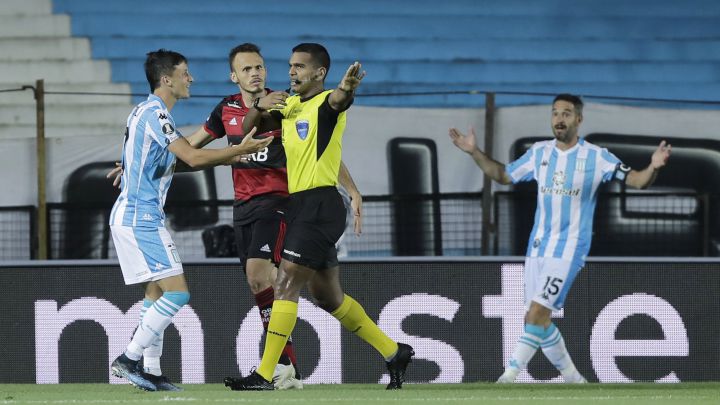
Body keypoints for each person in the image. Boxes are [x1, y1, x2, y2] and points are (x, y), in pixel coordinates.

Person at [224, 43, 415, 391]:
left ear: (319, 73)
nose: (292, 72)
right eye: (290, 66)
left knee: (284, 284)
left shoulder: (325, 104)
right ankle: (394, 352)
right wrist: (257, 105)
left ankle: (266, 375)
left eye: (300, 66)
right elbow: (249, 129)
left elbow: (340, 100)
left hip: (320, 205)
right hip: (301, 206)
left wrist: (347, 88)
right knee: (328, 296)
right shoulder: (290, 105)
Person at [449, 94, 671, 383]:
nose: (559, 119)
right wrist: (473, 151)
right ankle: (575, 381)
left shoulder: (597, 157)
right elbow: (503, 175)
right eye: (555, 113)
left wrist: (653, 166)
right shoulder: (539, 153)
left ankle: (509, 376)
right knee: (538, 320)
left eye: (566, 113)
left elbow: (637, 181)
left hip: (570, 249)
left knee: (537, 313)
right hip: (538, 248)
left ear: (579, 119)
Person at [184, 42, 363, 389]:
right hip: (244, 206)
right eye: (247, 69)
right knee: (318, 293)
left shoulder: (285, 102)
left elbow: (322, 147)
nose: (255, 73)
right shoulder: (226, 109)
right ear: (233, 76)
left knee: (263, 275)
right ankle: (291, 364)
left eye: (260, 67)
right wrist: (143, 162)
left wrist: (351, 188)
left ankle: (278, 366)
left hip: (282, 202)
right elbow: (191, 148)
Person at [109, 49, 272, 392]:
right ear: (167, 79)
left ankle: (150, 370)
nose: (191, 79)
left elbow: (159, 157)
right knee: (178, 294)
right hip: (141, 219)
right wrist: (237, 152)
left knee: (155, 292)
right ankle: (129, 358)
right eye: (185, 73)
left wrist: (132, 167)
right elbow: (194, 157)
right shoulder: (157, 113)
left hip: (133, 216)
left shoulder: (144, 112)